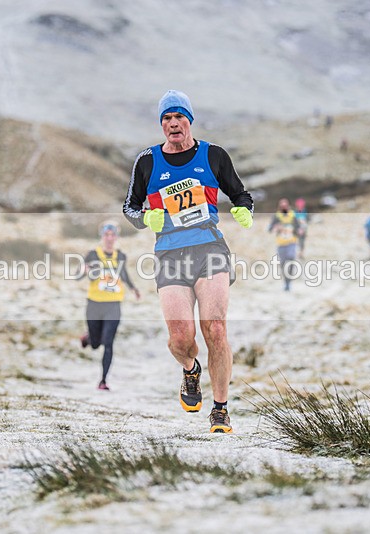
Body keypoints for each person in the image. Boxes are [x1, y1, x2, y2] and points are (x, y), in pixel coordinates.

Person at [122, 90, 254, 433]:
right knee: (181, 337)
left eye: (179, 116)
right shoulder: (147, 161)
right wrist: (144, 220)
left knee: (216, 329)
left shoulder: (214, 156)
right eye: (166, 118)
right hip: (170, 253)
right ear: (162, 125)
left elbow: (240, 193)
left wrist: (243, 208)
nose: (172, 123)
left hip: (210, 249)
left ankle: (221, 409)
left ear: (189, 121)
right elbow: (130, 207)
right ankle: (191, 370)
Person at [80, 221, 141, 391]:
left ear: (116, 237)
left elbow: (124, 274)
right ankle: (89, 338)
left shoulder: (120, 256)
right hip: (94, 304)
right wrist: (85, 270)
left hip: (113, 305)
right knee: (95, 344)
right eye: (106, 235)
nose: (109, 238)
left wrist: (133, 288)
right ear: (102, 236)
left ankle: (103, 381)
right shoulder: (93, 254)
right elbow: (82, 275)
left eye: (112, 235)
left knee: (108, 342)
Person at [268, 198, 303, 291]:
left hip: (292, 242)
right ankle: (286, 282)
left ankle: (289, 280)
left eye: (285, 205)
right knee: (283, 264)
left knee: (291, 259)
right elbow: (270, 229)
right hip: (281, 243)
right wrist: (275, 227)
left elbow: (298, 227)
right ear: (279, 207)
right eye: (282, 206)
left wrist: (299, 230)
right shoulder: (276, 216)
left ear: (288, 206)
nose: (284, 207)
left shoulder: (293, 215)